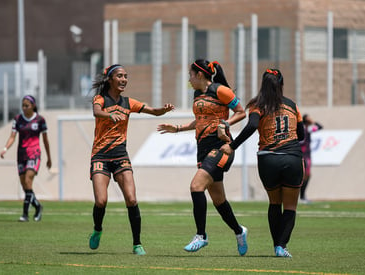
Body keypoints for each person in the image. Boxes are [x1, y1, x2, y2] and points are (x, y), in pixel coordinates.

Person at [157, 59, 248, 256]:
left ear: (199, 75)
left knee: (196, 186)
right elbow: (200, 121)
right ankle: (240, 231)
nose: (189, 79)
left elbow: (242, 112)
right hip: (203, 148)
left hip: (221, 146)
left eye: (190, 75)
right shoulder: (197, 94)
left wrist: (226, 123)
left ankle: (201, 236)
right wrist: (178, 128)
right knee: (218, 199)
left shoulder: (221, 90)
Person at [89, 64, 174, 256]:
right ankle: (97, 229)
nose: (124, 79)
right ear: (110, 79)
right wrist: (109, 114)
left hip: (120, 156)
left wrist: (164, 110)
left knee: (132, 199)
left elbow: (153, 111)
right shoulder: (100, 99)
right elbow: (96, 111)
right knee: (101, 201)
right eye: (120, 76)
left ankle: (137, 244)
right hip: (100, 155)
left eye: (126, 76)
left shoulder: (129, 102)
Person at [220, 69, 304, 258]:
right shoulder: (292, 105)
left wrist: (232, 146)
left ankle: (277, 246)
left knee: (275, 202)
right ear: (281, 83)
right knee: (290, 206)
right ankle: (282, 247)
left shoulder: (257, 104)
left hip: (268, 158)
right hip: (292, 158)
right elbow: (302, 135)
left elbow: (251, 126)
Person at [0, 95, 52, 222]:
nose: (24, 108)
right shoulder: (17, 119)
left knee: (28, 180)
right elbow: (12, 136)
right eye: (23, 105)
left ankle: (24, 214)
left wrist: (49, 157)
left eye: (27, 105)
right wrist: (5, 148)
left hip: (34, 153)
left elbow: (45, 140)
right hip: (21, 155)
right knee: (25, 186)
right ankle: (38, 207)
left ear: (33, 106)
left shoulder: (40, 120)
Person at [299, 114, 323, 203]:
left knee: (306, 175)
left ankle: (302, 196)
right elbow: (319, 126)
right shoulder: (306, 129)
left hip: (305, 155)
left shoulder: (304, 129)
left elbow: (320, 127)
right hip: (304, 155)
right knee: (305, 175)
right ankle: (301, 196)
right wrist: (312, 121)